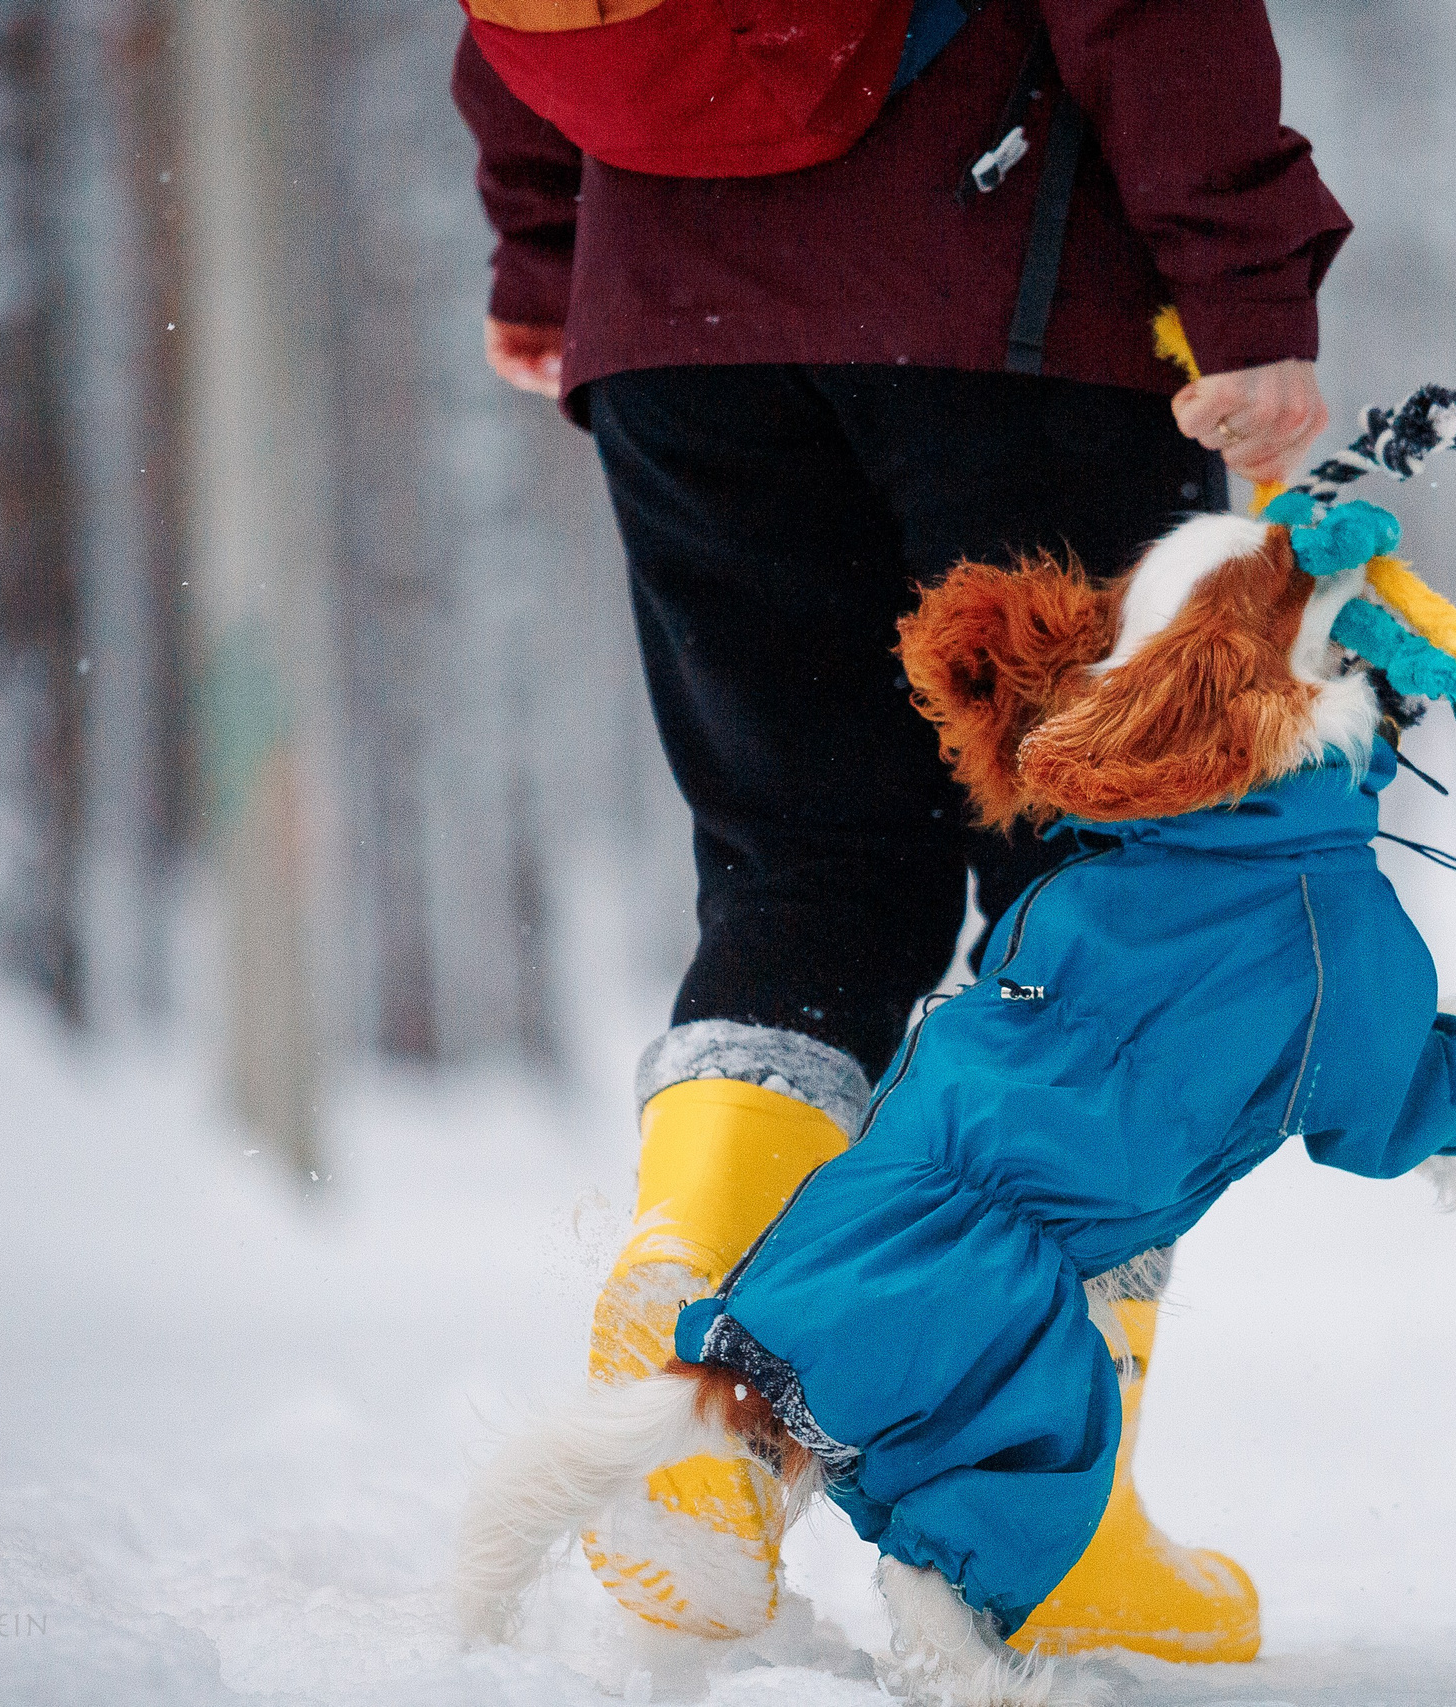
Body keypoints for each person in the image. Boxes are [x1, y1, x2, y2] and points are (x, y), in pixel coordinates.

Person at [454, 0, 1349, 1662]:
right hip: (1003, 306)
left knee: (804, 871)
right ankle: (1036, 1520)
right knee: (1102, 909)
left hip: (672, 322)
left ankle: (695, 1388)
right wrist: (1244, 284)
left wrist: (546, 248)